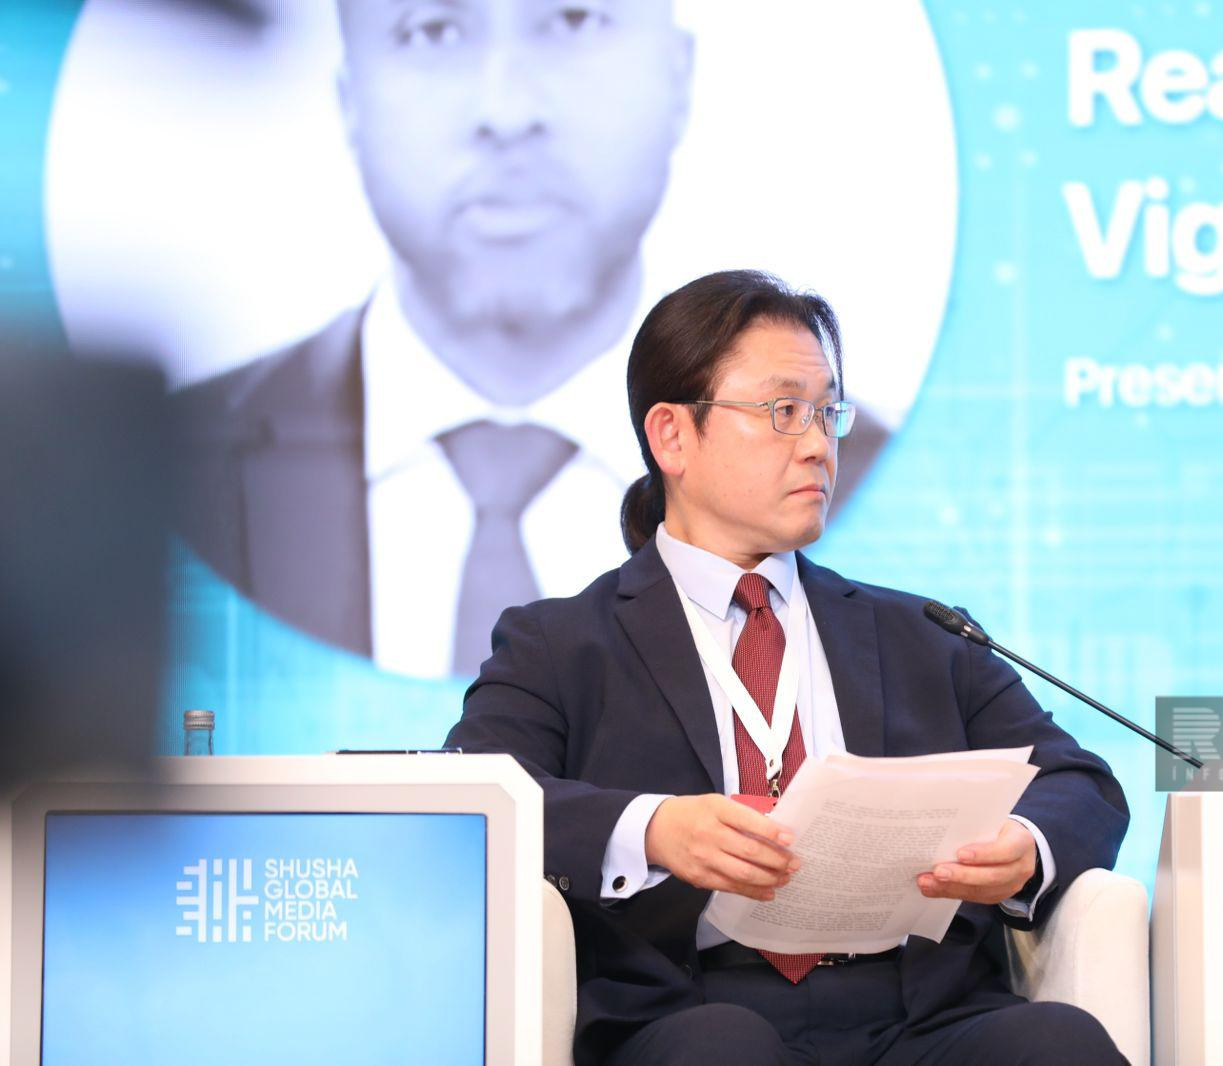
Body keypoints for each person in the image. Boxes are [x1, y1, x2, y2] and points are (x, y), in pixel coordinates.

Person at [444, 270, 1129, 1065]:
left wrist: (1024, 846)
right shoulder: (561, 644)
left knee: (1057, 1043)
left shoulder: (922, 634)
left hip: (914, 1015)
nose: (817, 445)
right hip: (696, 1009)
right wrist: (654, 830)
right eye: (783, 412)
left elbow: (1081, 783)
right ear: (673, 436)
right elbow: (471, 802)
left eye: (827, 413)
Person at [170, 0, 887, 678]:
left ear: (677, 76)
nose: (507, 112)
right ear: (349, 98)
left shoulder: (864, 483)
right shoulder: (170, 471)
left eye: (575, 19)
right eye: (433, 31)